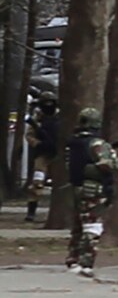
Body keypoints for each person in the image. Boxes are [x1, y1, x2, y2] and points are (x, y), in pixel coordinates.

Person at [64, 108, 118, 276]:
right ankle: (86, 261)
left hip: (76, 188)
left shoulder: (73, 143)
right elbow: (111, 165)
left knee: (78, 226)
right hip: (93, 190)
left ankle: (72, 259)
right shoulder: (96, 144)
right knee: (93, 226)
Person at [25, 91, 59, 222]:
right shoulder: (37, 118)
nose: (48, 105)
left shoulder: (60, 116)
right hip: (42, 154)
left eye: (51, 102)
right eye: (46, 103)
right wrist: (38, 144)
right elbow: (29, 135)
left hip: (59, 154)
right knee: (37, 182)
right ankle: (31, 212)